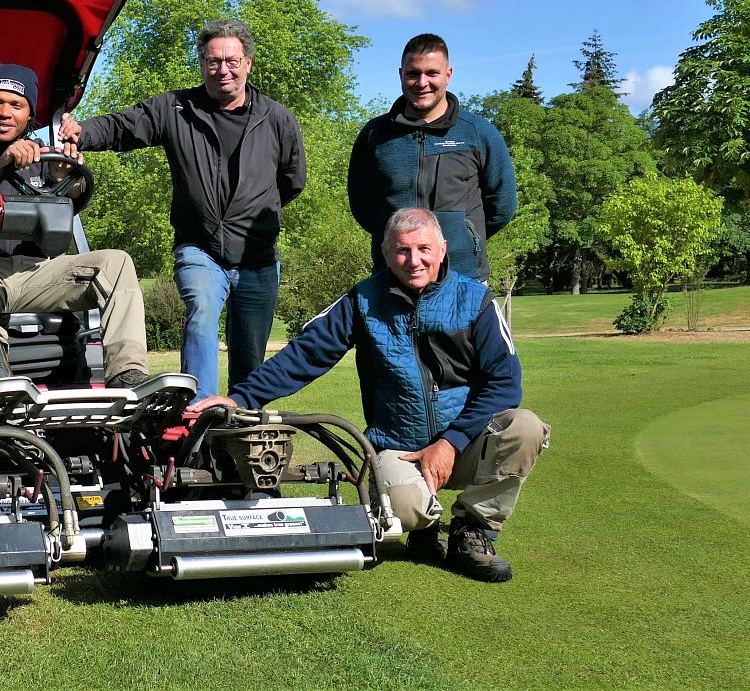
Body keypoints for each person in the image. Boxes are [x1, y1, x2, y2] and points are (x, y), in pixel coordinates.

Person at [192, 207, 549, 582]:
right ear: (385, 253)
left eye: (424, 249)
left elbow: (505, 384)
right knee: (403, 511)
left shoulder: (476, 299)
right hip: (399, 447)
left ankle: (472, 530)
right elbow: (306, 353)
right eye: (402, 250)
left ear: (443, 249)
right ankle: (424, 526)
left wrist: (451, 442)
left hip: (465, 444)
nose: (414, 261)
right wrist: (242, 398)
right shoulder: (362, 300)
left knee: (525, 427)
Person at [59, 18, 304, 396]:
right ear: (202, 63)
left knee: (249, 353)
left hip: (258, 256)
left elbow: (292, 180)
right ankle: (197, 413)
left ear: (248, 63)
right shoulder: (176, 109)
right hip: (200, 248)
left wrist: (254, 210)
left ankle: (243, 418)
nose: (223, 69)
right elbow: (124, 126)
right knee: (201, 317)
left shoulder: (277, 118)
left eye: (232, 61)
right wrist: (82, 133)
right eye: (213, 61)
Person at [0, 63, 150, 390]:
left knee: (116, 263)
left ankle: (128, 376)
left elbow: (69, 208)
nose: (4, 113)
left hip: (35, 272)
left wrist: (64, 181)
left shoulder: (43, 158)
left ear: (30, 114)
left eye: (16, 105)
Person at [348, 32, 517, 280]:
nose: (422, 82)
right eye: (413, 73)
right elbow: (361, 204)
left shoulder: (478, 133)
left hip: (463, 276)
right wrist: (395, 240)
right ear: (401, 75)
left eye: (432, 73)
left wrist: (465, 236)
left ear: (448, 75)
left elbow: (503, 206)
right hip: (392, 276)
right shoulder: (374, 135)